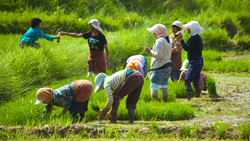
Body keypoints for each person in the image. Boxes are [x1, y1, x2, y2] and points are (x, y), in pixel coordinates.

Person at [144, 24, 172, 102]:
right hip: (168, 65)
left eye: (154, 32)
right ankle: (164, 102)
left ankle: (154, 103)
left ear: (158, 32)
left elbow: (158, 55)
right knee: (164, 85)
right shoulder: (169, 40)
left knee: (154, 86)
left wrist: (149, 50)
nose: (154, 34)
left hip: (159, 66)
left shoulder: (159, 41)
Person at [176, 21, 204, 100]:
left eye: (189, 29)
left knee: (186, 81)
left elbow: (186, 48)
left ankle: (189, 99)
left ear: (193, 29)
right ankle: (197, 98)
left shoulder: (194, 38)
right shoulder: (198, 37)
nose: (187, 30)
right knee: (195, 81)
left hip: (194, 62)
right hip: (199, 61)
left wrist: (181, 39)